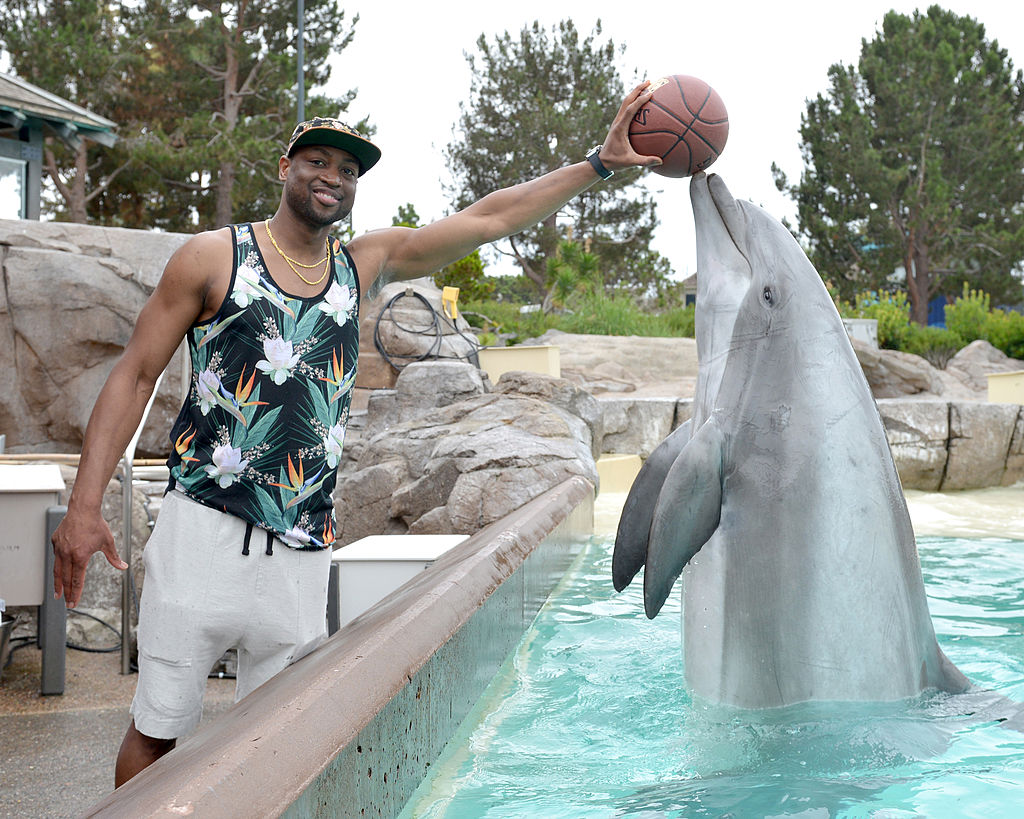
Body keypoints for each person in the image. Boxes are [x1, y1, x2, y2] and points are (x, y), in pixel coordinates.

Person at [50, 82, 662, 787]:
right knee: (158, 733)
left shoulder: (361, 264)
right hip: (203, 533)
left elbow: (490, 220)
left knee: (275, 747)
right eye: (317, 160)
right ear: (285, 167)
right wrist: (85, 504)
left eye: (348, 170)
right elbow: (134, 375)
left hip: (302, 549)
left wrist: (598, 164)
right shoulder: (214, 258)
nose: (332, 177)